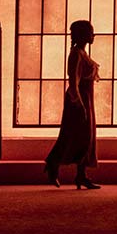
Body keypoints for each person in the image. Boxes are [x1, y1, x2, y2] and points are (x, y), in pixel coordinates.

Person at [44, 19, 101, 189]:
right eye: (91, 32)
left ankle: (81, 175)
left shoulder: (82, 53)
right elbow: (74, 81)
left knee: (86, 137)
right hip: (79, 99)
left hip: (86, 98)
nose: (93, 35)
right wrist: (79, 103)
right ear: (84, 35)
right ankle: (53, 164)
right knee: (72, 136)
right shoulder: (76, 54)